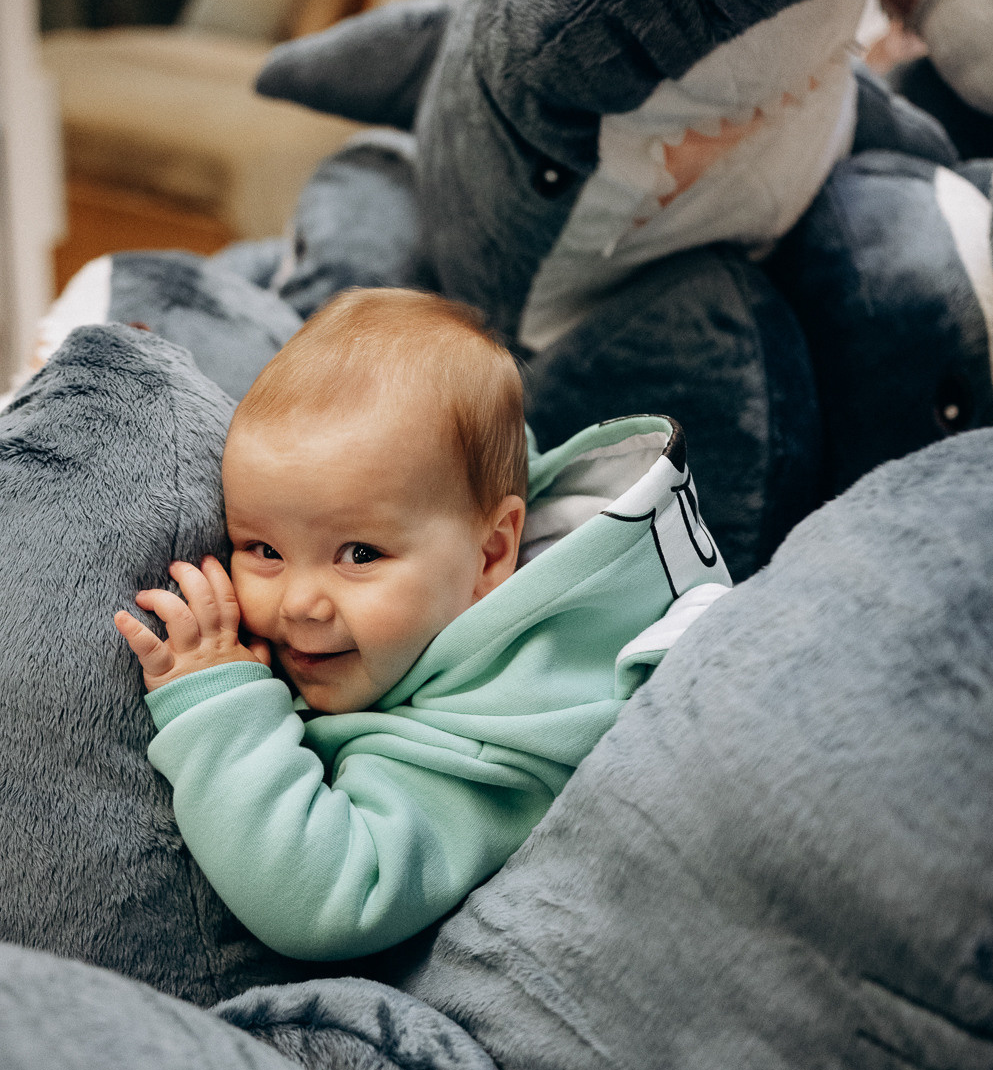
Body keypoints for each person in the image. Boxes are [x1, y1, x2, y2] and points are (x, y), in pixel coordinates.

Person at [115, 287, 730, 961]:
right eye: (263, 550)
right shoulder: (430, 518)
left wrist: (219, 707)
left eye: (359, 554)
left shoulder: (496, 723)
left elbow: (331, 900)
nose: (298, 604)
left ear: (491, 553)